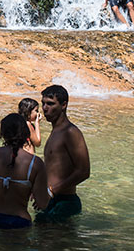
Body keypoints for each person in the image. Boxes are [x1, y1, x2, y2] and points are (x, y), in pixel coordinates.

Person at [0, 113, 50, 230]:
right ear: (26, 134)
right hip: (17, 222)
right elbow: (42, 204)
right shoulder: (35, 163)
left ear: (2, 134)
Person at [36, 85, 90, 223]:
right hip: (52, 200)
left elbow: (84, 171)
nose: (45, 108)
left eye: (50, 104)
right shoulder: (55, 132)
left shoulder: (71, 132)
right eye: (43, 103)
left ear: (64, 105)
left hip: (65, 202)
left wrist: (52, 191)